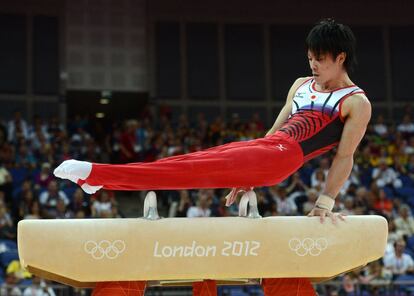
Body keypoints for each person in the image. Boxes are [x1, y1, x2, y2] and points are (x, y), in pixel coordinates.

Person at [54, 19, 369, 296]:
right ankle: (97, 178)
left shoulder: (355, 102)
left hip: (284, 159)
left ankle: (95, 175)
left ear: (340, 58)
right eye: (310, 57)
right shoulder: (301, 84)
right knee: (187, 163)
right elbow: (273, 134)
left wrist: (323, 203)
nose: (313, 64)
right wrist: (247, 177)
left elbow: (344, 157)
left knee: (185, 170)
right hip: (267, 150)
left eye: (321, 59)